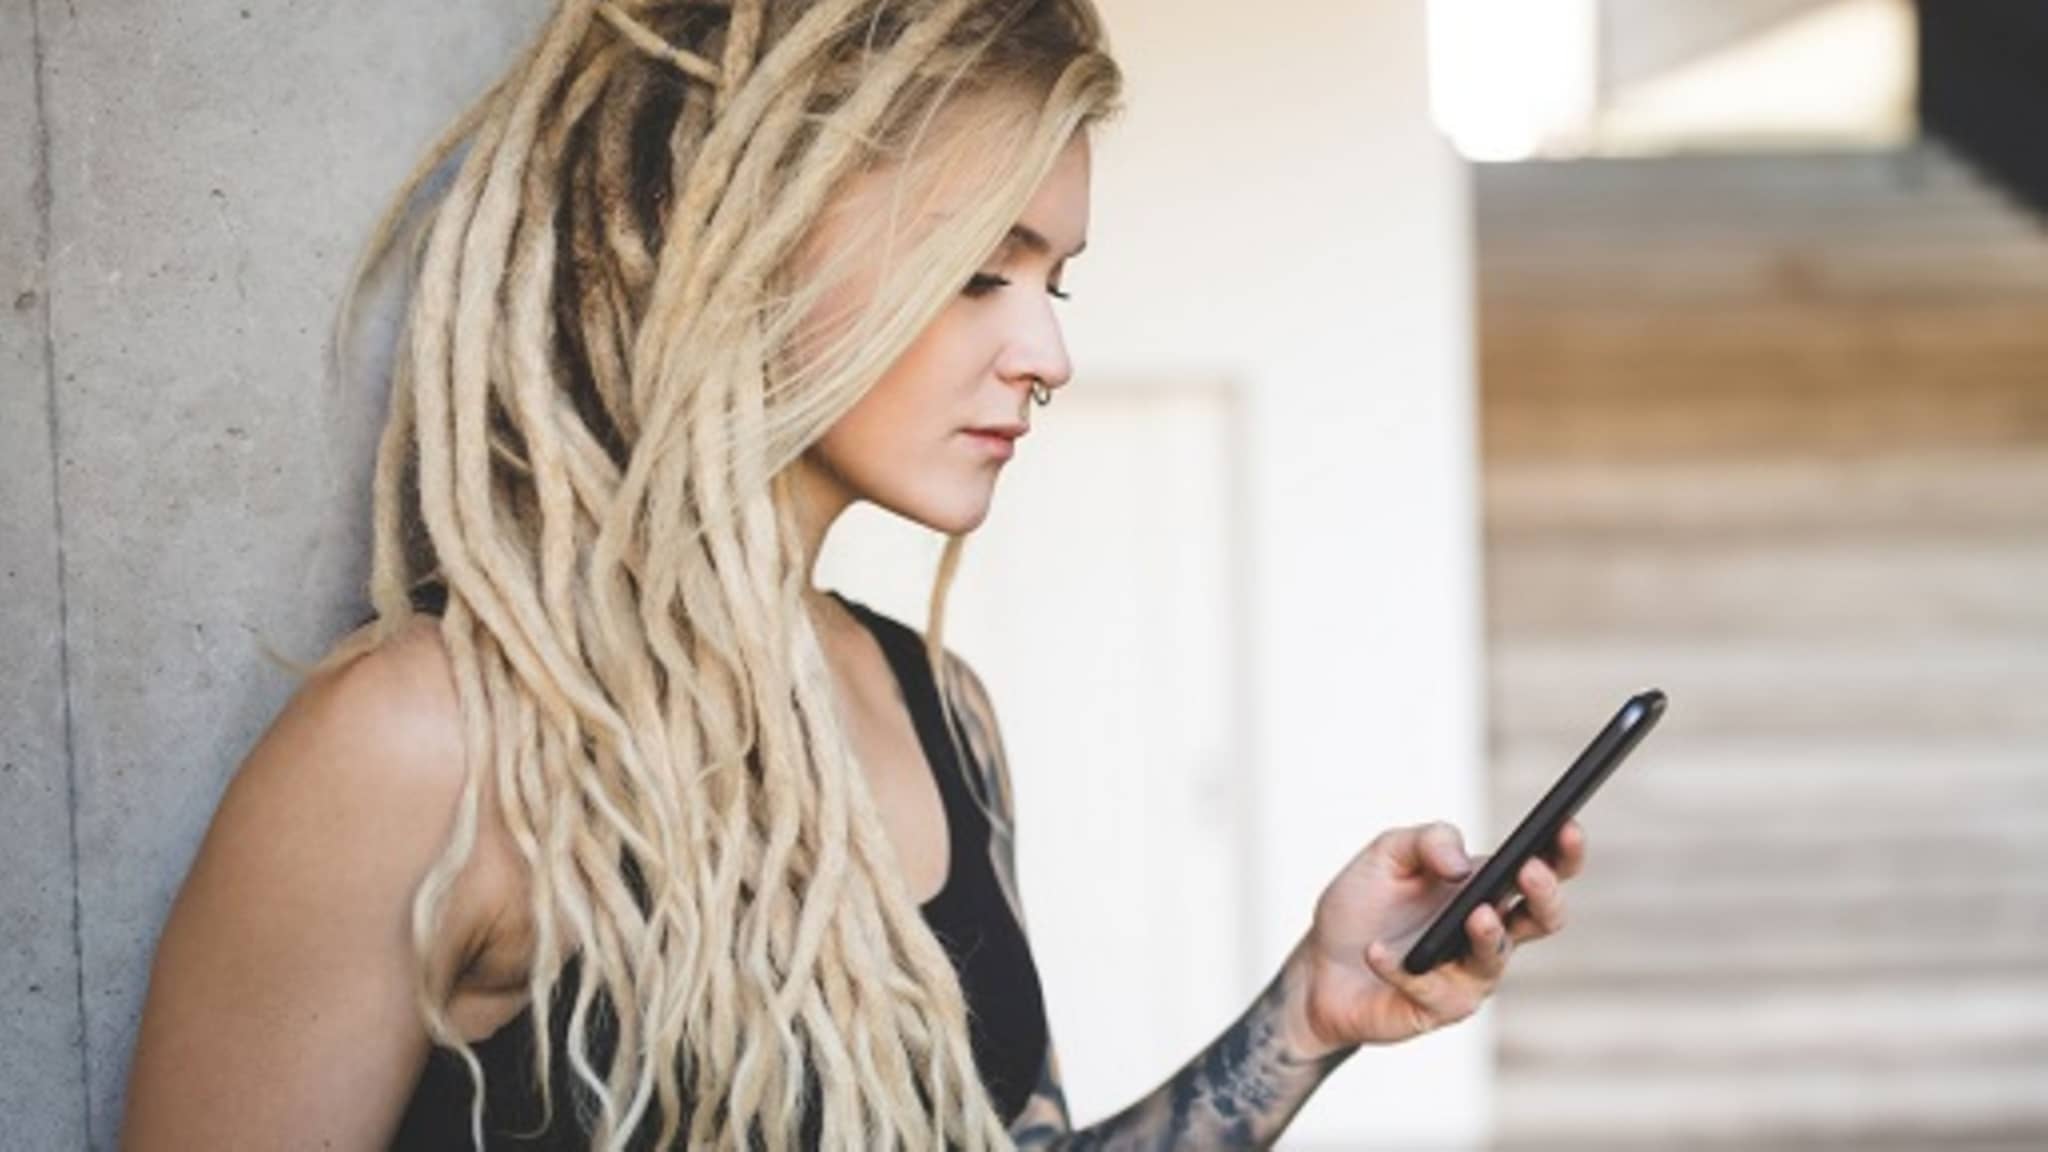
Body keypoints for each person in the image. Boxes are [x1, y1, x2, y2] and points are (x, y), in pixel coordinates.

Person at [122, 1, 1585, 1148]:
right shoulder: (422, 748)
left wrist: (1308, 1017)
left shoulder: (939, 711)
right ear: (736, 237)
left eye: (1055, 281)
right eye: (975, 270)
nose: (1048, 353)